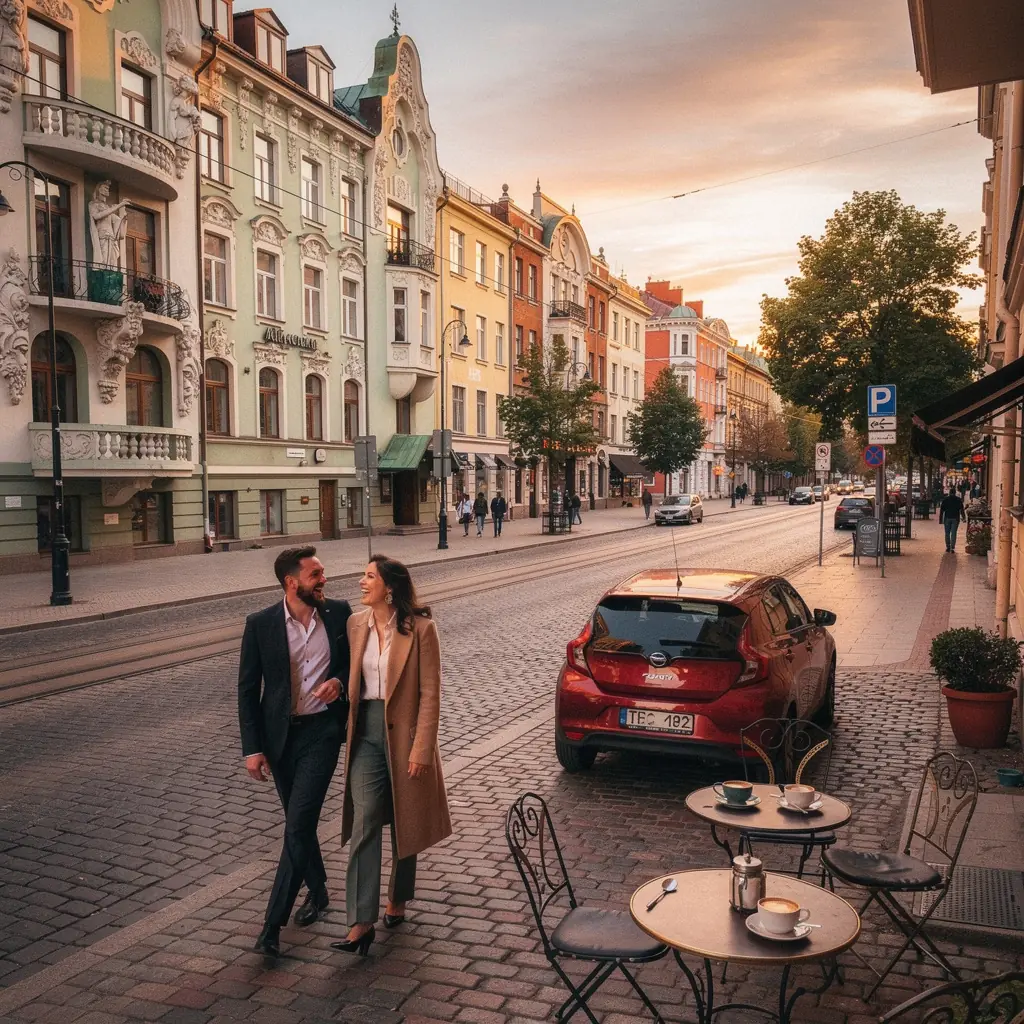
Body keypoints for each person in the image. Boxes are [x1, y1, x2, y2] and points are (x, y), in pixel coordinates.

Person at [332, 556, 451, 957]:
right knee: (365, 820)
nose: (361, 582)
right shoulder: (355, 625)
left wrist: (422, 749)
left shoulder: (420, 629)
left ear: (390, 587)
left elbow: (431, 694)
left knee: (406, 817)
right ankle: (360, 922)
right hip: (365, 730)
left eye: (369, 576)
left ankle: (397, 898)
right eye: (363, 574)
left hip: (405, 733)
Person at [238, 547, 351, 958]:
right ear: (292, 582)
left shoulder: (338, 614)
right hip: (280, 738)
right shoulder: (261, 625)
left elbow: (353, 664)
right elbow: (248, 691)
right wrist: (252, 749)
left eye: (323, 572)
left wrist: (339, 682)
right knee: (297, 823)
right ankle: (318, 891)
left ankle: (271, 926)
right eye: (316, 574)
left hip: (321, 733)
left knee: (299, 822)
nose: (324, 580)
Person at [939, 487, 967, 553]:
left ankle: (948, 547)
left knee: (947, 533)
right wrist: (964, 517)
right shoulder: (958, 500)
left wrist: (940, 520)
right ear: (955, 493)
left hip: (947, 518)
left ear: (949, 493)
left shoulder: (945, 499)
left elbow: (942, 510)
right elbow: (961, 510)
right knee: (953, 533)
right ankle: (952, 547)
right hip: (955, 518)